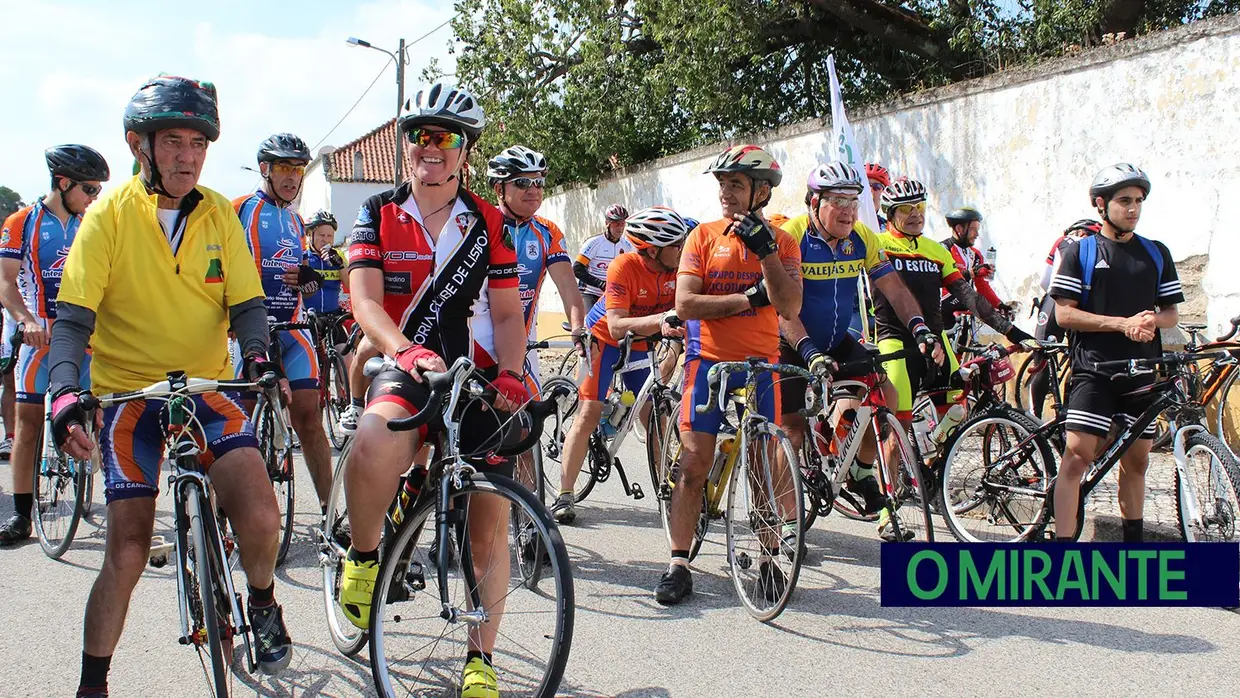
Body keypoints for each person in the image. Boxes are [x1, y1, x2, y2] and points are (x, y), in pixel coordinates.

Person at [48, 75, 292, 697]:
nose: (187, 155)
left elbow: (246, 303)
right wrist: (64, 393)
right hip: (131, 398)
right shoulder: (107, 216)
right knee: (128, 552)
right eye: (174, 142)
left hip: (204, 389)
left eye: (198, 143)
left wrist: (261, 357)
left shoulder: (218, 214)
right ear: (140, 145)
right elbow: (74, 320)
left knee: (263, 518)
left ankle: (261, 601)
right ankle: (92, 685)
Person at [339, 82, 528, 698]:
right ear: (407, 147)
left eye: (446, 139)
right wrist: (403, 349)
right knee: (374, 437)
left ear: (465, 152)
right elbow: (365, 300)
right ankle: (364, 556)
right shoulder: (376, 212)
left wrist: (510, 370)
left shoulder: (490, 221)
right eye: (422, 136)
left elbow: (505, 315)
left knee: (489, 524)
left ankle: (481, 658)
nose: (432, 148)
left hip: (471, 375)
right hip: (408, 362)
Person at [664, 144, 802, 605]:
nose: (725, 191)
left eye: (736, 184)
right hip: (707, 363)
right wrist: (746, 299)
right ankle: (678, 563)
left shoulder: (783, 243)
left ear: (761, 192)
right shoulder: (702, 237)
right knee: (693, 464)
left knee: (763, 465)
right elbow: (685, 305)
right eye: (722, 183)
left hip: (762, 365)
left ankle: (767, 558)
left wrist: (766, 257)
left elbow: (788, 305)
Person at [776, 162, 938, 519]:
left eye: (854, 200)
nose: (849, 210)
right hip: (791, 342)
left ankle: (861, 471)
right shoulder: (792, 237)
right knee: (791, 430)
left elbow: (892, 286)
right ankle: (787, 521)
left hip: (835, 339)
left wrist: (919, 327)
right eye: (838, 200)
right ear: (814, 203)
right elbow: (784, 310)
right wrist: (808, 352)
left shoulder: (863, 237)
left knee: (882, 393)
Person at [871, 179, 1034, 532]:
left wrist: (1012, 331)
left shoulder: (936, 250)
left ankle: (926, 463)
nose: (915, 216)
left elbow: (970, 298)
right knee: (895, 428)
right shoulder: (879, 244)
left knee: (959, 409)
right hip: (894, 342)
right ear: (889, 214)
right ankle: (889, 509)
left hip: (938, 341)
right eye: (906, 211)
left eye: (920, 209)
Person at [1048, 164, 1182, 542]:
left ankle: (1133, 547)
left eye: (1138, 201)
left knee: (1138, 461)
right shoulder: (1081, 251)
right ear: (1100, 204)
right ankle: (1061, 550)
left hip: (1142, 371)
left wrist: (1151, 321)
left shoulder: (1156, 254)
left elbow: (1171, 312)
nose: (1134, 208)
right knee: (1077, 457)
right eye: (1124, 201)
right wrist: (1121, 323)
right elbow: (1064, 313)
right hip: (1095, 371)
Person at [0, 144, 108, 545]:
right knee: (27, 424)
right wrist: (26, 320)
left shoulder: (90, 224)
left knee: (100, 411)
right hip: (39, 335)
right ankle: (22, 515)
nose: (94, 197)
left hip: (84, 336)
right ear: (63, 183)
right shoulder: (21, 221)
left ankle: (93, 458)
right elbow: (6, 282)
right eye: (89, 189)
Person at [553, 206, 688, 524]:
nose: (682, 250)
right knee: (588, 412)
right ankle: (565, 493)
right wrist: (661, 319)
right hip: (602, 340)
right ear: (653, 249)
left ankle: (667, 490)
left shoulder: (677, 269)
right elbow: (615, 326)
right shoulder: (623, 267)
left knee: (653, 415)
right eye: (676, 245)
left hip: (641, 343)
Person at [232, 134, 333, 509]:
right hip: (246, 333)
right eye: (284, 169)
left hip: (291, 329)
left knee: (310, 417)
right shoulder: (239, 209)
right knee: (236, 428)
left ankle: (329, 513)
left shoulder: (295, 219)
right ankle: (223, 513)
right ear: (265, 169)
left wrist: (309, 278)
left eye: (297, 170)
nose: (292, 177)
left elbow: (302, 277)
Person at [1028, 218, 1101, 417]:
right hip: (1083, 307)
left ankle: (1035, 415)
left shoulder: (1062, 241)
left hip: (1054, 303)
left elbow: (1045, 280)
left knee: (1042, 358)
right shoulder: (1099, 247)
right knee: (1079, 358)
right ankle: (1071, 411)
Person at [938, 207, 1014, 330]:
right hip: (943, 310)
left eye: (978, 230)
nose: (977, 234)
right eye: (973, 229)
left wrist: (999, 304)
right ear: (959, 229)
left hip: (966, 313)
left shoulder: (976, 255)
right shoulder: (942, 249)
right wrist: (970, 273)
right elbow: (941, 280)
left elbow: (982, 286)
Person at [575, 204, 632, 309]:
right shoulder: (593, 243)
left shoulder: (627, 246)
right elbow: (577, 269)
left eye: (622, 223)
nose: (620, 227)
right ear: (607, 224)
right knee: (589, 324)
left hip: (612, 294)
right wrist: (600, 284)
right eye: (616, 223)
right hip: (590, 292)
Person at [865, 163, 891, 231]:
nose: (870, 191)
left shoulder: (889, 230)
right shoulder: (843, 224)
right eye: (866, 186)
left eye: (877, 187)